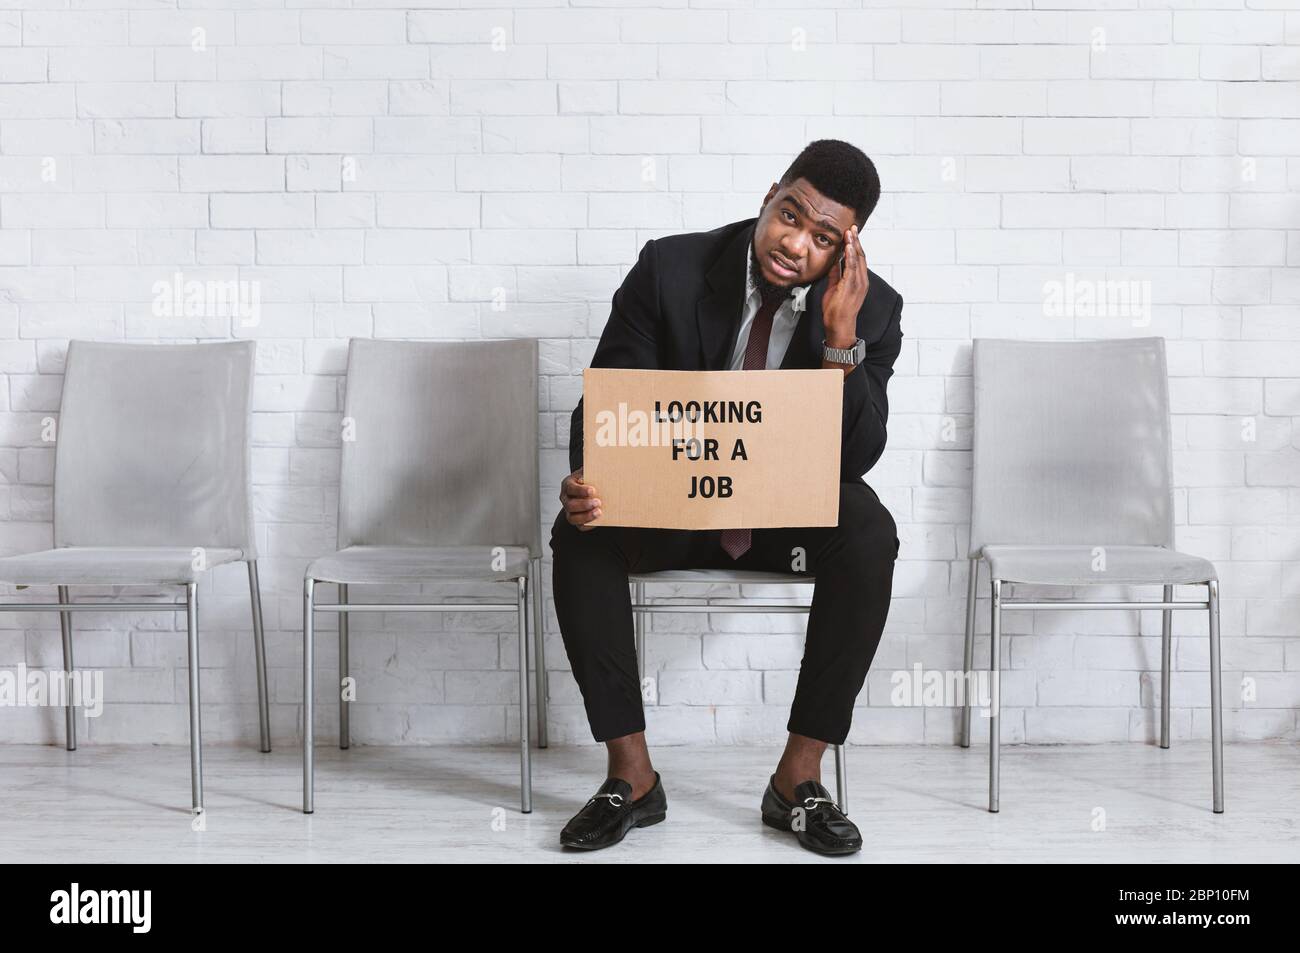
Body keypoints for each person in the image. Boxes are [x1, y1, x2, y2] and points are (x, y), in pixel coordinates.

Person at [551, 139, 903, 855]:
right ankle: (633, 777)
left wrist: (841, 344)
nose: (795, 244)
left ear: (846, 248)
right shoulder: (670, 269)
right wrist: (589, 476)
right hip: (674, 506)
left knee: (869, 528)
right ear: (770, 194)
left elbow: (857, 458)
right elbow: (604, 407)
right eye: (789, 215)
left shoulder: (870, 310)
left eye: (823, 237)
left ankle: (797, 782)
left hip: (779, 517)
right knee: (577, 529)